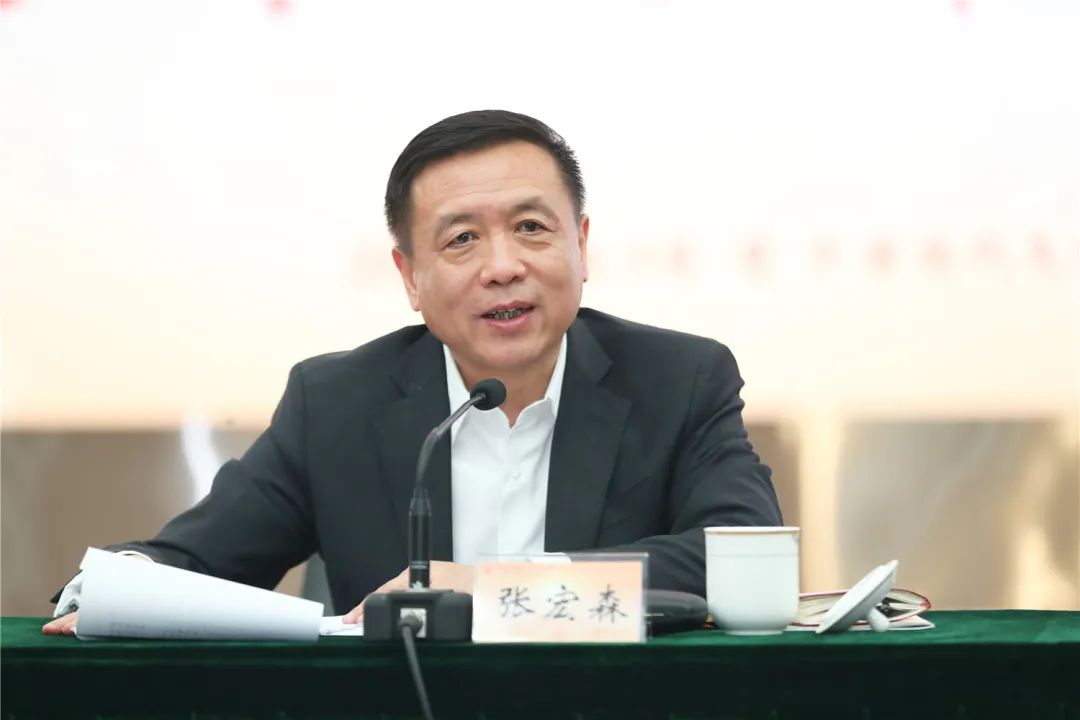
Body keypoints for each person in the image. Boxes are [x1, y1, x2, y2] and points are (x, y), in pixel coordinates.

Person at [44, 110, 782, 636]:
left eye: (531, 227)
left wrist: (484, 588)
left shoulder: (680, 380)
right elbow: (196, 561)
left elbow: (744, 555)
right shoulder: (336, 403)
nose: (503, 267)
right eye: (462, 240)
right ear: (410, 277)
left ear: (581, 246)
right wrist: (111, 587)